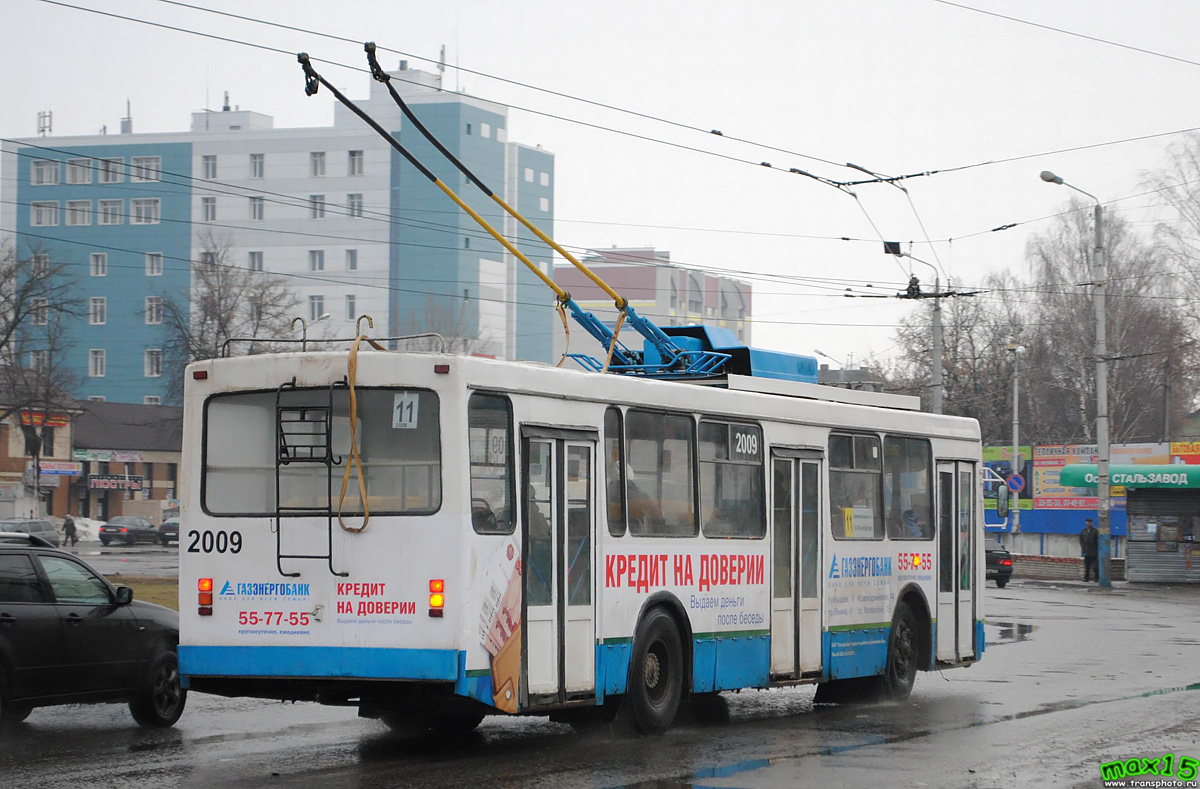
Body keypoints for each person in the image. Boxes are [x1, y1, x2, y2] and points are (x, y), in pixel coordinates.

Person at [1079, 518, 1099, 582]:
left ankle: (1096, 577)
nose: (1088, 523)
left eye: (1089, 522)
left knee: (1095, 566)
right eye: (1087, 522)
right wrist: (1083, 548)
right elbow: (1081, 540)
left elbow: (1097, 541)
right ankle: (1086, 578)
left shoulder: (1095, 531)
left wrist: (1096, 549)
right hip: (1087, 551)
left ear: (1091, 523)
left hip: (1094, 551)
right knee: (1087, 566)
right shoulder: (1083, 531)